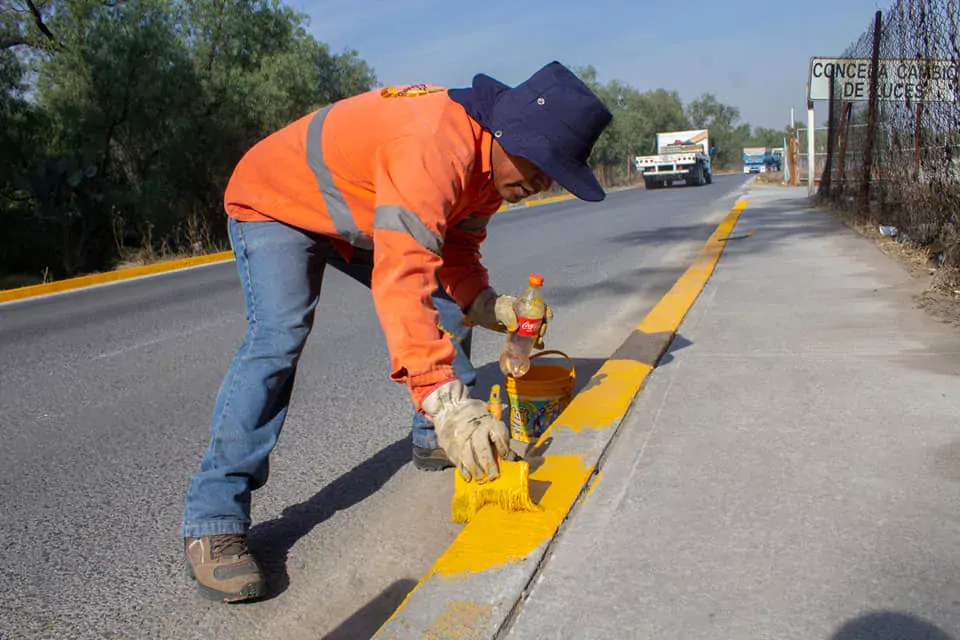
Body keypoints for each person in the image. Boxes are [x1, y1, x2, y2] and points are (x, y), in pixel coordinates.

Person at [181, 60, 613, 602]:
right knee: (278, 336)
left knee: (447, 302)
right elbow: (404, 272)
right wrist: (448, 400)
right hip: (276, 201)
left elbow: (452, 252)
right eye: (540, 166)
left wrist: (484, 302)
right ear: (511, 133)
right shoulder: (435, 145)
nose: (541, 183)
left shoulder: (492, 171)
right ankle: (213, 520)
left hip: (357, 211)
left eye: (555, 175)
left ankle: (433, 438)